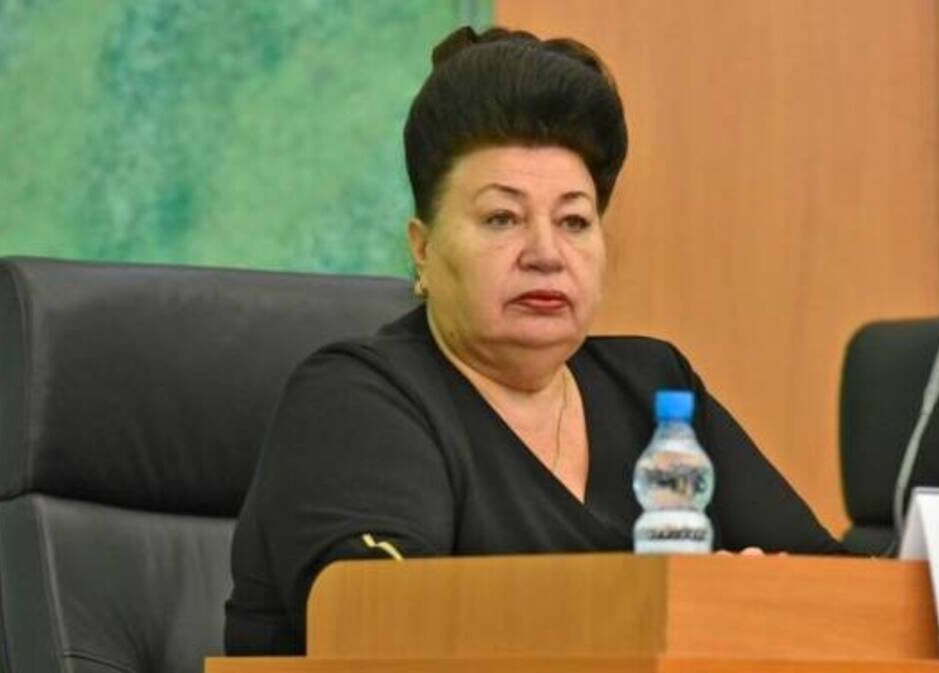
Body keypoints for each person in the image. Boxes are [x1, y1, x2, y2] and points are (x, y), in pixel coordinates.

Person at [224, 25, 845, 656]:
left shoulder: (655, 389)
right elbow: (384, 616)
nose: (546, 254)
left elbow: (841, 588)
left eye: (574, 220)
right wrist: (687, 607)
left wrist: (756, 600)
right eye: (502, 218)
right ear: (423, 248)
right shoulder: (356, 398)